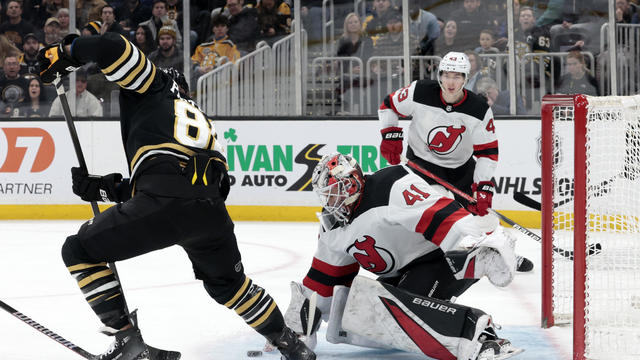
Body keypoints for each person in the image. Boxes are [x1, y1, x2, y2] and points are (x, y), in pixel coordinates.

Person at [37, 31, 315, 360]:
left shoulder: (154, 86)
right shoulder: (197, 119)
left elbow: (111, 47)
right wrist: (99, 186)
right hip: (210, 213)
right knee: (230, 286)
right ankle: (290, 345)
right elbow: (173, 183)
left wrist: (66, 50)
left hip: (166, 202)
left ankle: (129, 343)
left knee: (79, 249)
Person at [283, 152, 523, 360]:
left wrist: (478, 246)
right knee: (361, 310)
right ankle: (442, 317)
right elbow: (324, 277)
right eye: (326, 195)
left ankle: (480, 335)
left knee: (397, 309)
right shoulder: (333, 225)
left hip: (440, 259)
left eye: (335, 192)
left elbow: (439, 214)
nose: (330, 201)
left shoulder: (390, 185)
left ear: (352, 183)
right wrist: (299, 327)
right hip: (402, 275)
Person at [377, 51, 534, 272]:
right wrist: (390, 135)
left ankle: (503, 253)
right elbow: (388, 105)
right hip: (421, 165)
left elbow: (487, 152)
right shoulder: (419, 91)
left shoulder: (478, 108)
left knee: (483, 216)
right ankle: (428, 257)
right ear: (440, 75)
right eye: (447, 75)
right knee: (439, 211)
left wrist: (483, 186)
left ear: (466, 78)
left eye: (458, 76)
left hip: (460, 167)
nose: (451, 82)